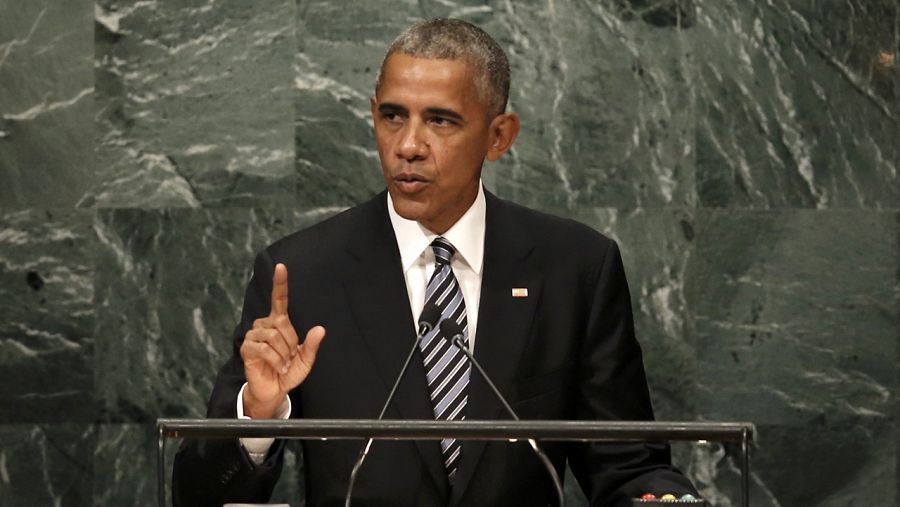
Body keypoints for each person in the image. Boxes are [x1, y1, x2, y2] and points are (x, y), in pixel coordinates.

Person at [173, 18, 697, 507]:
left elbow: (628, 466)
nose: (408, 146)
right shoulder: (302, 273)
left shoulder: (575, 267)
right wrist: (258, 417)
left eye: (441, 121)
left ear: (499, 136)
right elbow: (198, 494)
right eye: (392, 116)